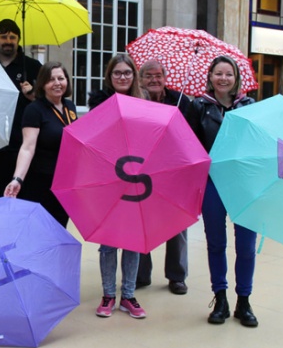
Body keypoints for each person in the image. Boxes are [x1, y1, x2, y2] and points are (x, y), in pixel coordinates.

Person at [186, 55, 258, 327]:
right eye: (219, 73)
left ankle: (244, 301)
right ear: (211, 76)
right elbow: (190, 145)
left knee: (246, 247)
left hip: (244, 183)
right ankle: (221, 297)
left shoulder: (249, 106)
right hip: (213, 182)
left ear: (236, 78)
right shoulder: (199, 106)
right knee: (216, 243)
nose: (223, 78)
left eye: (229, 74)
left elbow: (258, 142)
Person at [88, 54, 147, 319]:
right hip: (108, 178)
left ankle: (129, 295)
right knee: (109, 241)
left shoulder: (143, 103)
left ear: (134, 76)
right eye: (117, 73)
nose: (122, 77)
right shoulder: (99, 101)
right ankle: (109, 294)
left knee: (133, 240)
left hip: (137, 177)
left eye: (127, 73)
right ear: (109, 76)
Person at [136, 59, 191, 295]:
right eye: (148, 76)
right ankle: (140, 273)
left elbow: (191, 137)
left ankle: (177, 276)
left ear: (165, 78)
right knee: (140, 222)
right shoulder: (135, 101)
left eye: (158, 75)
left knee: (177, 224)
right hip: (142, 172)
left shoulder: (181, 102)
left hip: (174, 173)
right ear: (141, 79)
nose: (154, 80)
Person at [4, 61, 76, 227]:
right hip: (40, 184)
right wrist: (17, 179)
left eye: (61, 78)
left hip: (64, 184)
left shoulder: (69, 107)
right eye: (51, 79)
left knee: (59, 231)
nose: (57, 83)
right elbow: (27, 148)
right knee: (38, 232)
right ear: (43, 84)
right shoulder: (34, 110)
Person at [0, 19, 42, 197]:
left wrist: (33, 95)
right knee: (2, 196)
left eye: (12, 37)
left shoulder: (33, 67)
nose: (8, 41)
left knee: (26, 197)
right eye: (3, 37)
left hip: (25, 144)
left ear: (18, 39)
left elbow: (48, 103)